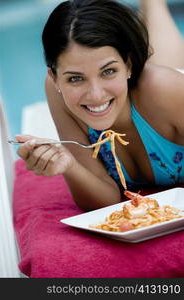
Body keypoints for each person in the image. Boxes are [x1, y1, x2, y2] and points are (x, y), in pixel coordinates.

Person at [15, 0, 184, 211]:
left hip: (164, 88)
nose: (95, 95)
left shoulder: (166, 90)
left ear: (128, 65)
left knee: (163, 73)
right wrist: (70, 166)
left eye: (108, 71)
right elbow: (106, 201)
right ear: (55, 77)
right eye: (75, 79)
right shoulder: (56, 91)